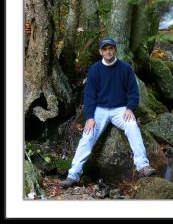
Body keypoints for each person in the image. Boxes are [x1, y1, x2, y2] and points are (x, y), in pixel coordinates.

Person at [60, 37, 156, 189]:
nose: (108, 51)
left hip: (120, 109)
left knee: (132, 126)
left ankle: (143, 166)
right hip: (100, 110)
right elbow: (89, 97)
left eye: (110, 48)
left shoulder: (125, 68)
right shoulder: (95, 70)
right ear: (100, 52)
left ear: (115, 49)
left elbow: (133, 92)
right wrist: (90, 117)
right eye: (105, 49)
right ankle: (73, 175)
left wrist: (130, 108)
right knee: (88, 135)